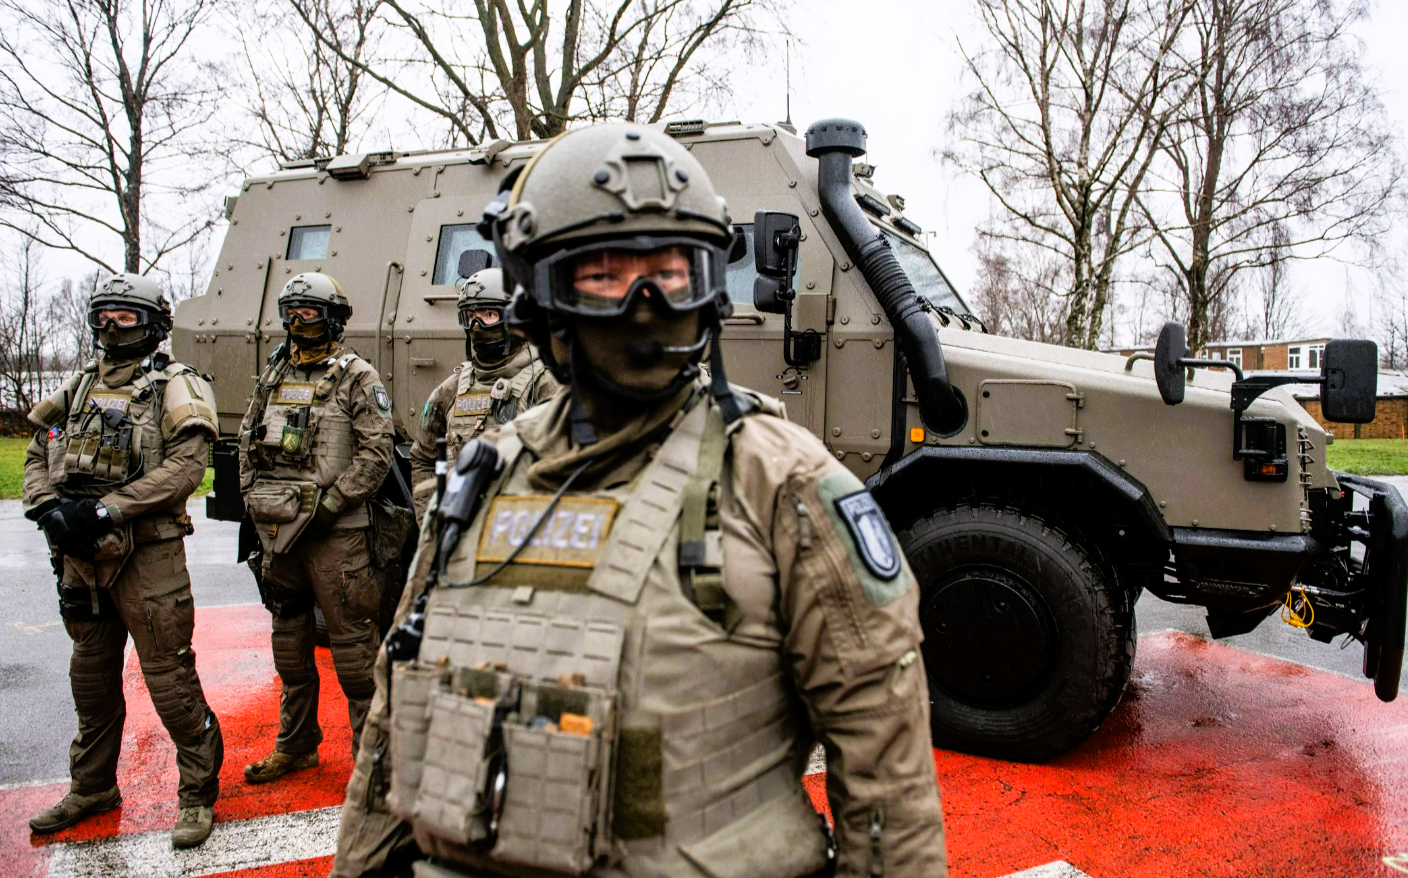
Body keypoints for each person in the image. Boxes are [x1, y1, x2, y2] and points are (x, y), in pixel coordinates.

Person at [330, 124, 947, 878]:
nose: (646, 300)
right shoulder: (482, 476)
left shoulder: (782, 484)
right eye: (606, 272)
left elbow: (888, 787)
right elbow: (391, 731)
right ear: (539, 296)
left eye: (670, 270)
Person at [22, 274, 224, 849]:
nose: (112, 325)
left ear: (154, 324)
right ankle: (91, 788)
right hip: (80, 558)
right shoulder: (80, 387)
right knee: (90, 678)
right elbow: (41, 449)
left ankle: (196, 794)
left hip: (148, 557)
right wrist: (47, 510)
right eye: (103, 314)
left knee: (170, 681)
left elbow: (186, 469)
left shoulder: (176, 385)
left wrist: (107, 511)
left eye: (125, 316)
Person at [238, 272, 393, 783]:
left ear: (332, 319)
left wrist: (330, 506)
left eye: (308, 311)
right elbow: (245, 443)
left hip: (336, 535)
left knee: (353, 654)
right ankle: (296, 745)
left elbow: (376, 453)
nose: (297, 320)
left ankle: (372, 764)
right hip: (280, 535)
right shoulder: (274, 373)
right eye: (291, 311)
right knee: (290, 648)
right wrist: (255, 503)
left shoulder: (358, 376)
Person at [408, 267, 559, 520]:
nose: (476, 326)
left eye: (488, 315)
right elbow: (423, 458)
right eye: (471, 317)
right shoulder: (452, 387)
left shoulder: (545, 383)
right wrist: (429, 520)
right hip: (456, 530)